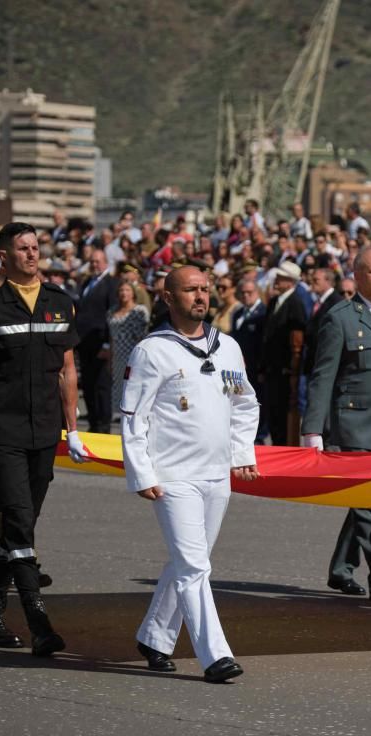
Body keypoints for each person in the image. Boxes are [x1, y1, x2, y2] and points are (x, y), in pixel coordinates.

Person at [120, 266, 259, 683]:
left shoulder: (229, 347)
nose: (200, 297)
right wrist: (141, 472)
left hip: (217, 473)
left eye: (205, 289)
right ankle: (215, 655)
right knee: (195, 565)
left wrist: (241, 453)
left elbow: (243, 403)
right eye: (190, 290)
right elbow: (132, 416)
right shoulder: (151, 351)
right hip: (173, 474)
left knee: (188, 561)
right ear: (167, 297)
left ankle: (155, 636)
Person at [0, 222, 90, 656]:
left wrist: (73, 429)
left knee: (22, 525)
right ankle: (40, 624)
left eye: (36, 247)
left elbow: (67, 370)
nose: (32, 254)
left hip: (44, 433)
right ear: (3, 255)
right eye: (22, 248)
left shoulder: (59, 302)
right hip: (4, 432)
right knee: (19, 522)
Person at [302, 248, 371, 600]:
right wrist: (313, 430)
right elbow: (323, 377)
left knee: (365, 499)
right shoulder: (340, 318)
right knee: (366, 501)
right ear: (358, 276)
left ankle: (341, 569)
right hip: (353, 424)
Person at [258, 261, 308, 445]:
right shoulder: (273, 302)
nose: (276, 281)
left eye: (280, 278)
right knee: (273, 415)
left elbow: (297, 341)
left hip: (285, 371)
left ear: (290, 281)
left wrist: (293, 369)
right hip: (272, 370)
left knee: (285, 418)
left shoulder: (296, 304)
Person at [74, 249, 117, 434]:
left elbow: (112, 314)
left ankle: (103, 425)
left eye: (98, 261)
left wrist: (108, 344)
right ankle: (93, 422)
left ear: (106, 262)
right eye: (92, 261)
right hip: (85, 343)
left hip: (100, 342)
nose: (94, 264)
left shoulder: (111, 284)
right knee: (89, 384)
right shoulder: (87, 282)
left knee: (101, 385)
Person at [108, 276, 151, 416]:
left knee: (134, 388)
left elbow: (142, 336)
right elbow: (111, 337)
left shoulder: (140, 311)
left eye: (127, 290)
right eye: (121, 290)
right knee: (119, 388)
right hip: (117, 356)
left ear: (133, 292)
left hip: (134, 354)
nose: (124, 293)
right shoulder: (111, 311)